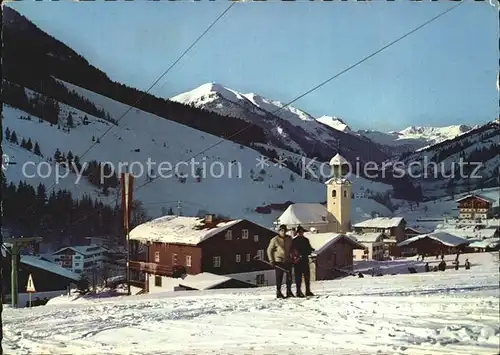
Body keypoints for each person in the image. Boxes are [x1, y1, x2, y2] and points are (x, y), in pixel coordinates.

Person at [267, 224, 294, 298]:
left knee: (289, 277)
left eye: (285, 230)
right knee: (279, 277)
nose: (283, 232)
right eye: (282, 230)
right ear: (279, 231)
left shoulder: (289, 238)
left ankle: (289, 291)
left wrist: (293, 256)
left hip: (288, 260)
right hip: (279, 261)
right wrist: (271, 260)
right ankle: (278, 292)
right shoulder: (275, 239)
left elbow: (291, 248)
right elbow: (269, 250)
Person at [291, 225, 315, 297]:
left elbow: (309, 248)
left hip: (305, 260)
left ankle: (308, 290)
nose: (301, 233)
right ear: (297, 233)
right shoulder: (294, 241)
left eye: (301, 232)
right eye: (299, 232)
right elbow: (292, 251)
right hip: (298, 261)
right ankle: (298, 291)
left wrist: (311, 250)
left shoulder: (305, 240)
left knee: (307, 277)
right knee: (298, 277)